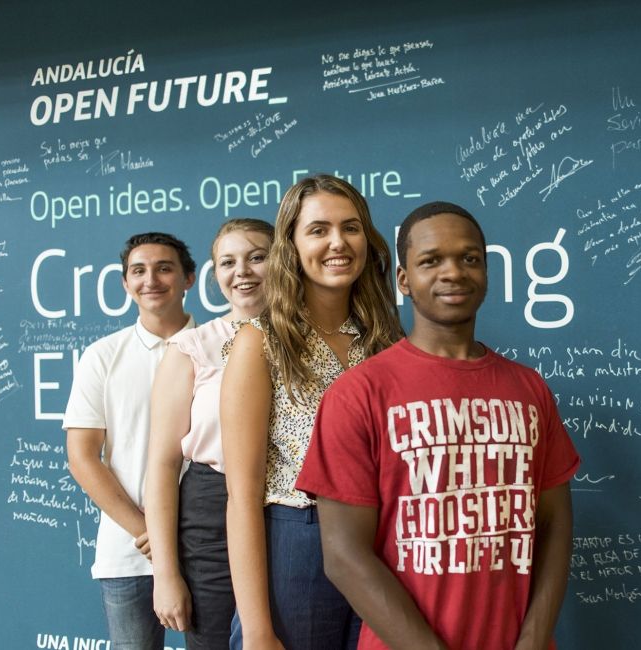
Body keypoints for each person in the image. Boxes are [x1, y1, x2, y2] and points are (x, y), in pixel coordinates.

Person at [297, 202, 580, 650]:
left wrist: (534, 638)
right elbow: (344, 556)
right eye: (431, 260)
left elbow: (554, 526)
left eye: (470, 259)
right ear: (404, 281)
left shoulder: (529, 389)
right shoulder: (359, 395)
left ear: (488, 273)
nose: (454, 272)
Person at [220, 175, 401, 650]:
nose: (338, 242)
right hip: (298, 544)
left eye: (351, 227)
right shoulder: (259, 342)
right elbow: (241, 497)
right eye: (318, 229)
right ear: (292, 244)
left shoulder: (386, 342)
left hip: (383, 543)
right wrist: (258, 629)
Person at [145, 219, 274, 649]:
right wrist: (166, 573)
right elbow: (162, 465)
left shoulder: (313, 340)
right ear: (214, 274)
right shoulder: (192, 347)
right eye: (228, 262)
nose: (243, 272)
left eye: (257, 257)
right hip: (211, 515)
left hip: (295, 510)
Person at [64, 232, 197, 650]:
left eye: (164, 268)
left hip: (207, 545)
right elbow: (82, 457)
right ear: (124, 283)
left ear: (189, 278)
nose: (150, 280)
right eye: (138, 271)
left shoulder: (219, 347)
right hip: (129, 551)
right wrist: (150, 533)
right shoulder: (102, 356)